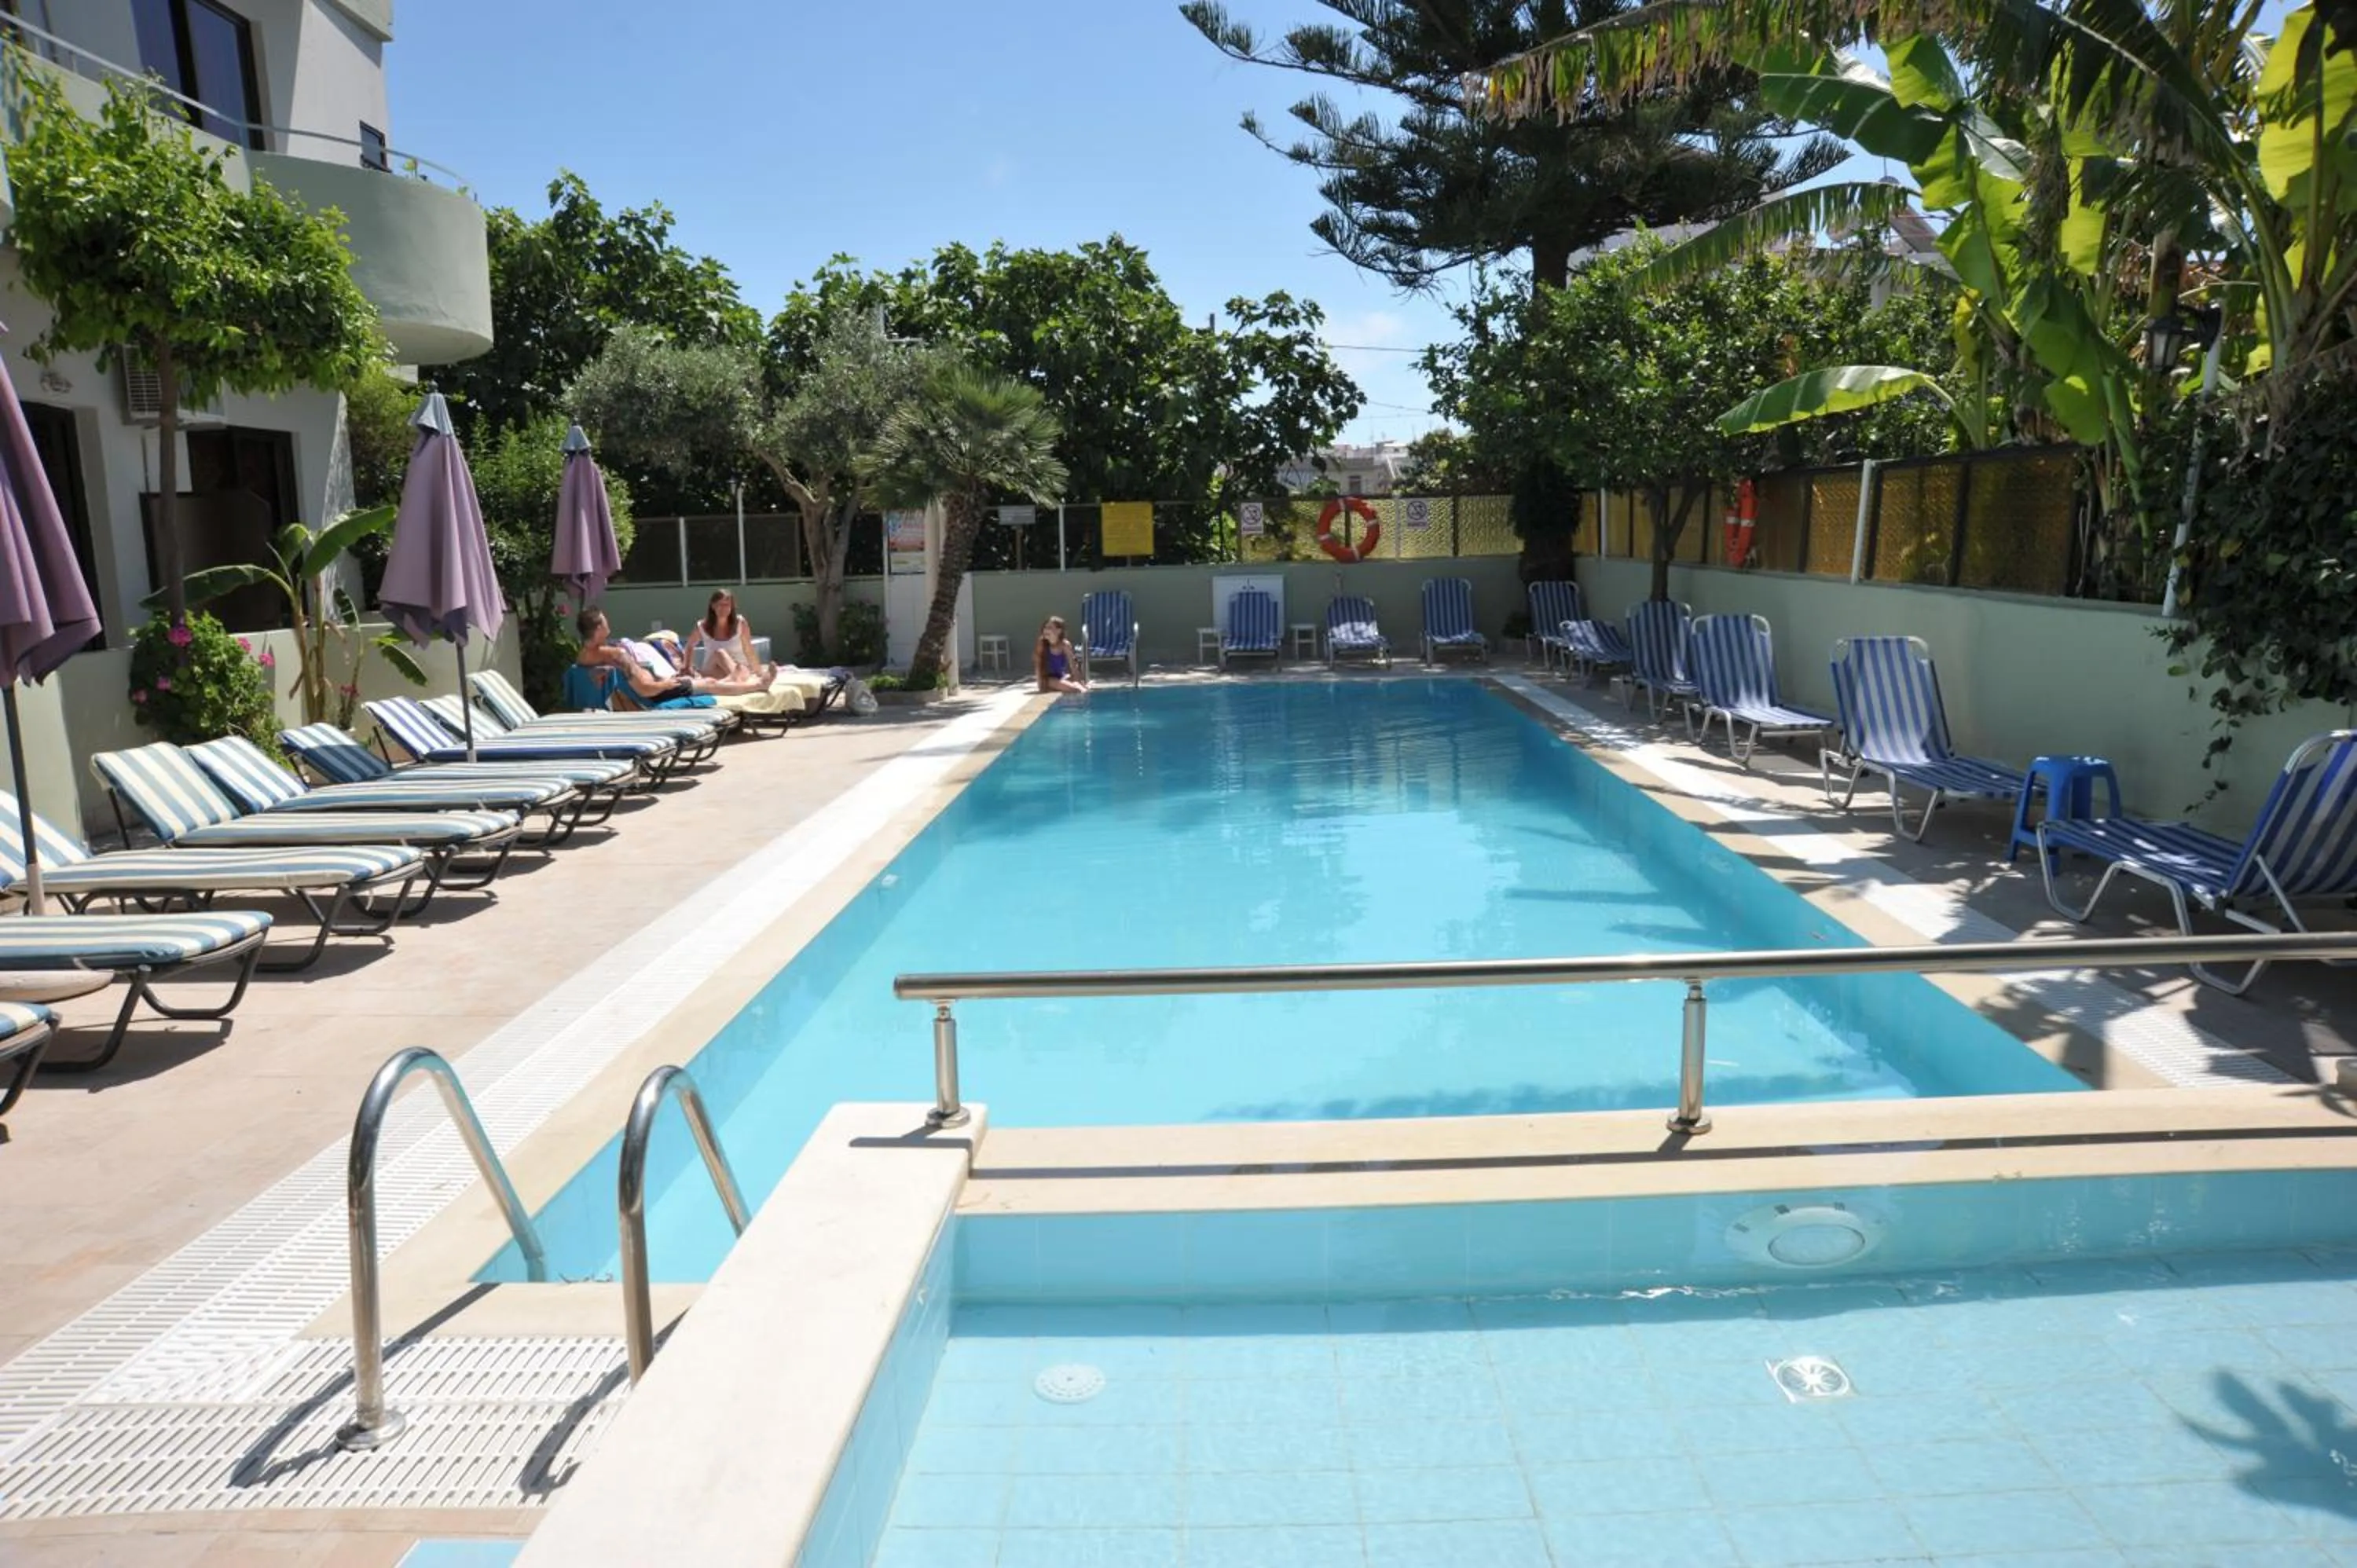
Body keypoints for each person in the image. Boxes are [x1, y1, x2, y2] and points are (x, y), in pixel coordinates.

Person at [576, 608, 765, 703]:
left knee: (707, 680)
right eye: (605, 621)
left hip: (643, 692)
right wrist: (665, 684)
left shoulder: (583, 657)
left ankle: (735, 678)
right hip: (655, 694)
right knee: (711, 684)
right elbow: (645, 689)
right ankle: (758, 685)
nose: (609, 624)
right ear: (599, 628)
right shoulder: (616, 654)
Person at [685, 589, 777, 683]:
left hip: (739, 668)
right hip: (713, 670)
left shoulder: (740, 623)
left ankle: (735, 678)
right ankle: (736, 678)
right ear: (713, 606)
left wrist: (759, 672)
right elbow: (689, 646)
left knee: (741, 669)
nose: (723, 608)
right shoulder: (702, 626)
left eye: (727, 605)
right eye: (720, 604)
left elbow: (748, 649)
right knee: (719, 652)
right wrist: (687, 667)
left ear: (732, 607)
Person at [1036, 615, 1087, 694]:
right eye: (1045, 628)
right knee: (1076, 689)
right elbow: (1038, 665)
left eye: (1049, 628)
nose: (1045, 630)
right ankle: (1081, 690)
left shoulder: (1065, 645)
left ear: (1059, 631)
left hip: (1061, 676)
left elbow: (1073, 665)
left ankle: (1081, 689)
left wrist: (1078, 681)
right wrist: (1040, 685)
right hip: (1048, 679)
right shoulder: (1042, 644)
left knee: (1079, 683)